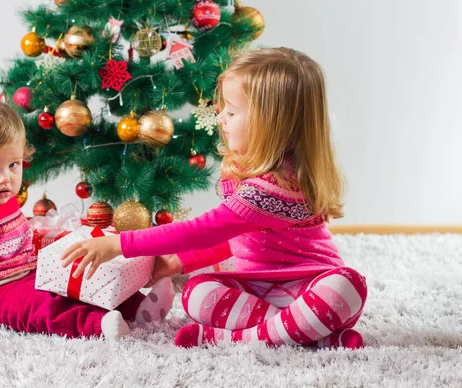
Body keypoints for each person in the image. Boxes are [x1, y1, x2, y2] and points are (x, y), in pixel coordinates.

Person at [62, 48, 368, 349]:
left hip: (309, 290)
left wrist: (120, 244)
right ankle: (311, 335)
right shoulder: (251, 170)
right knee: (196, 292)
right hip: (258, 292)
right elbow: (234, 238)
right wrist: (182, 262)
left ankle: (235, 338)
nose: (220, 117)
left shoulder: (275, 188)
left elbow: (199, 231)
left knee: (347, 285)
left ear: (269, 124)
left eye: (232, 112)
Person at [0, 98, 174, 338]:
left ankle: (137, 306)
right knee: (38, 307)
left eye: (13, 165)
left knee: (77, 281)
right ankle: (95, 324)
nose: (5, 177)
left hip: (28, 269)